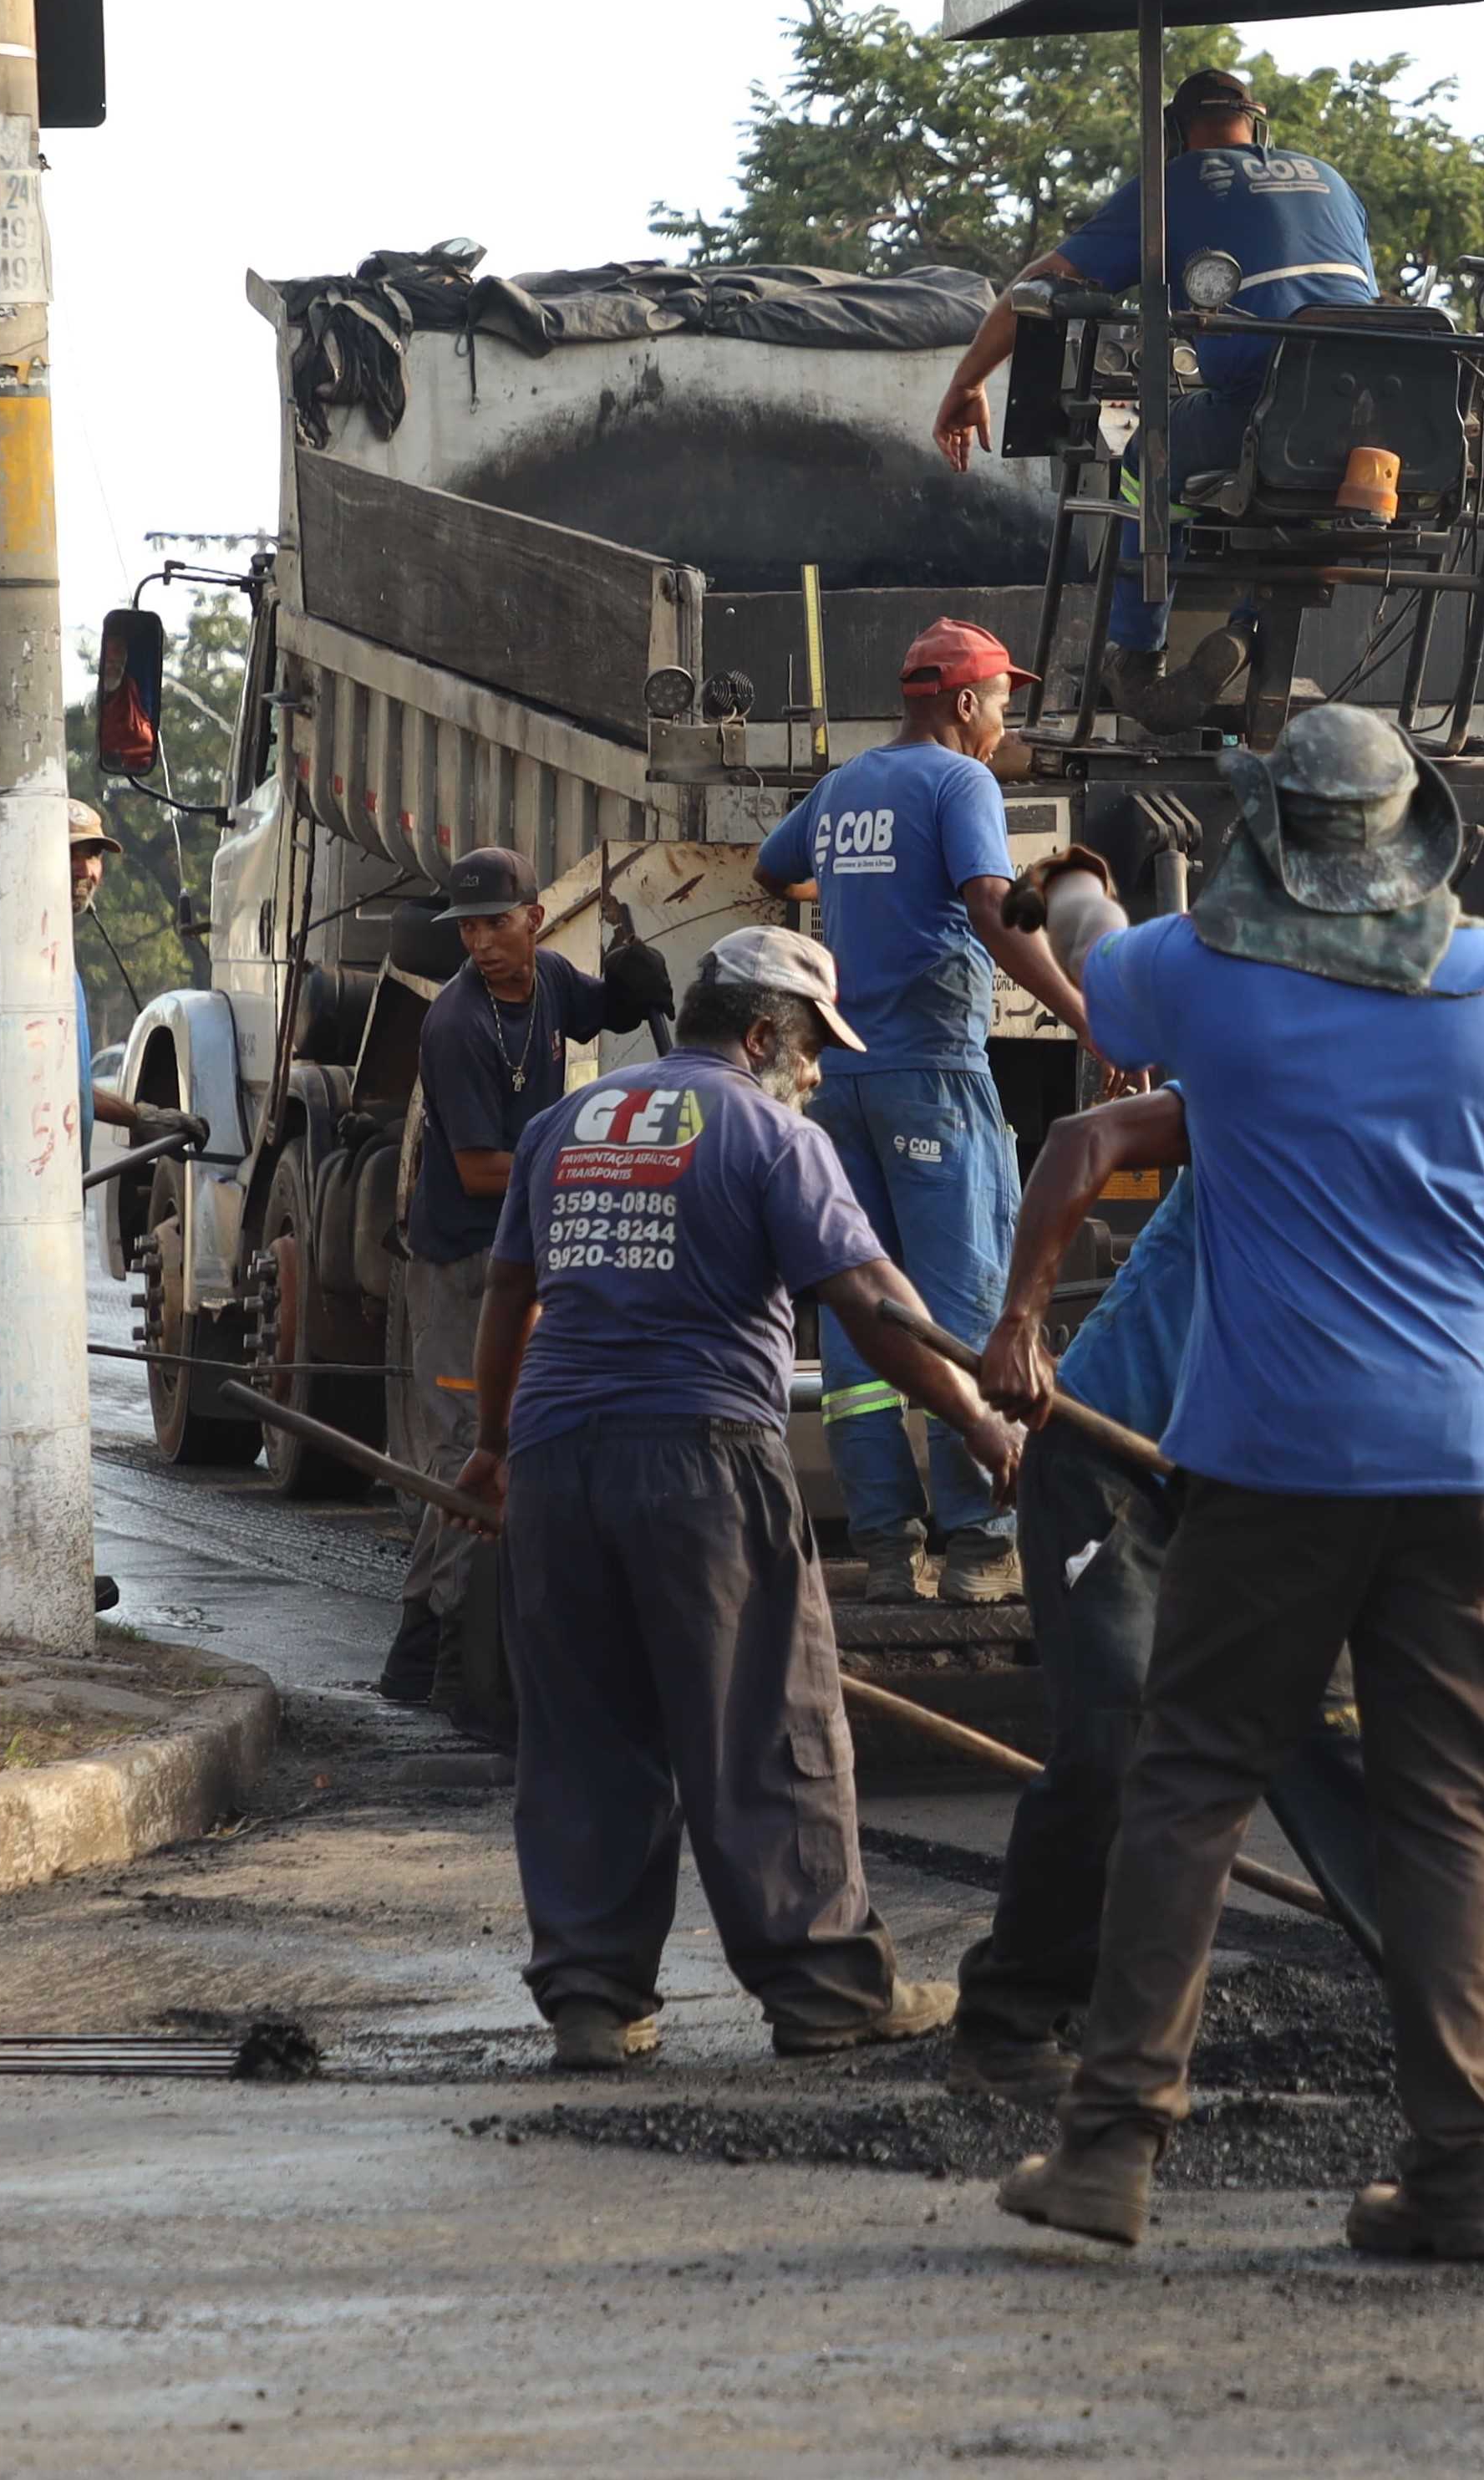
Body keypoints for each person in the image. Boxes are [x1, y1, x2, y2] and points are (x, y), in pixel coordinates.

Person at [992, 703, 1484, 2265]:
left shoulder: (1206, 981)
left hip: (1271, 1466)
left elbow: (1094, 961)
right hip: (1471, 1467)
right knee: (1455, 1818)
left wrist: (1073, 879)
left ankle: (1108, 2149)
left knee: (1193, 1783)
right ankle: (1468, 2171)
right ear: (1420, 829)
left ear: (1271, 837)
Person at [953, 1083, 1484, 2111]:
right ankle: (1008, 2019)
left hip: (1257, 1490)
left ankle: (1468, 2029)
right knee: (1120, 1741)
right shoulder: (1276, 1082)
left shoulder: (1427, 1172)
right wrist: (1020, 1321)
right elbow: (1085, 1134)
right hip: (1113, 1461)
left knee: (1342, 1743)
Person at [458, 925, 1017, 2071]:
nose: (818, 1077)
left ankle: (594, 2002)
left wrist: (491, 1445)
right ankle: (822, 1993)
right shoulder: (771, 1134)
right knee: (766, 1722)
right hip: (704, 1460)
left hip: (560, 1465)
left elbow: (510, 1290)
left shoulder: (570, 1123)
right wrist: (976, 1420)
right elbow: (873, 1304)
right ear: (763, 1035)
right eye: (812, 1053)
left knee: (584, 1736)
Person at [750, 620, 1093, 1608]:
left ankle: (889, 1549)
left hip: (843, 1085)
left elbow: (778, 873)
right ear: (963, 703)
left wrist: (861, 890)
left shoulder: (845, 785)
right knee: (963, 1310)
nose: (1004, 725)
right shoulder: (961, 785)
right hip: (936, 1077)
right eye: (1001, 704)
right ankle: (981, 1543)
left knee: (866, 1322)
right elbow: (991, 909)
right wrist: (1083, 1015)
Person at [926, 69, 1380, 691]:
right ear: (1256, 120)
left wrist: (969, 381)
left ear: (1176, 132)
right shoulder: (1332, 181)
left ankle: (1139, 654)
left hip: (1256, 408)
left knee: (1147, 455)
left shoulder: (1173, 187)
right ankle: (1247, 633)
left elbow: (1045, 283)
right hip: (1371, 422)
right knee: (1299, 478)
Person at [376, 848, 670, 1709]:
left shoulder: (545, 980)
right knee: (467, 1448)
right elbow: (474, 1171)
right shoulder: (457, 1025)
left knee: (517, 1441)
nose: (480, 942)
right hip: (462, 1260)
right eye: (467, 927)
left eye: (495, 923)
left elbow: (596, 1011)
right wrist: (588, 1163)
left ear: (534, 918)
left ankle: (461, 1640)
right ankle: (423, 1644)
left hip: (520, 1250)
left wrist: (630, 986)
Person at [65, 802, 193, 1179]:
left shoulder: (62, 964)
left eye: (91, 855)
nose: (84, 869)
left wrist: (145, 1118)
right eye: (68, 853)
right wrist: (139, 1116)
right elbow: (53, 1091)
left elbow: (76, 1089)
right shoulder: (25, 958)